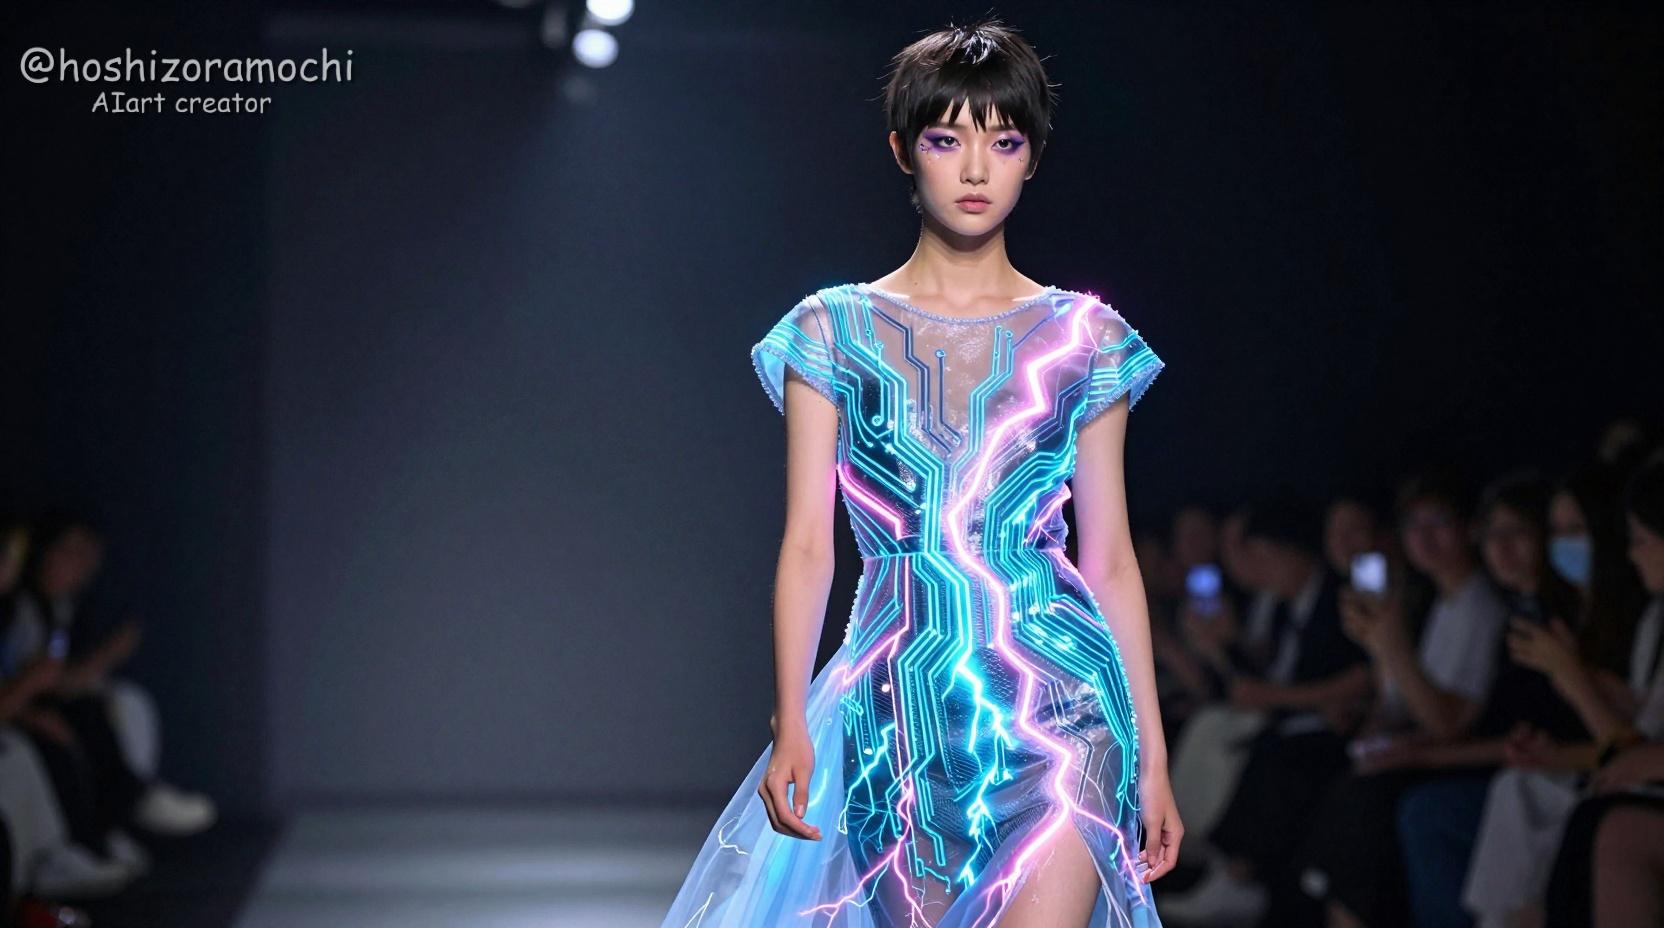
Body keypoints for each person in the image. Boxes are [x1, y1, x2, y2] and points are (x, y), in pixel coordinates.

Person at [659, 17, 1178, 928]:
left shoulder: (1086, 338)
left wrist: (1156, 757)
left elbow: (1111, 561)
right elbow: (809, 545)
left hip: (1064, 704)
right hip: (895, 709)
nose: (977, 170)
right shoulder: (831, 332)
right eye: (947, 140)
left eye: (1004, 142)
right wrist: (791, 718)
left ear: (1033, 157)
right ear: (903, 151)